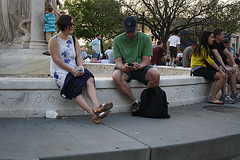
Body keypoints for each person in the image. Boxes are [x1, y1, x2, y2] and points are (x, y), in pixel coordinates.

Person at [49, 15, 113, 124]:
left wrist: (80, 67)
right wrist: (71, 70)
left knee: (89, 79)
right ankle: (93, 114)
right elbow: (55, 59)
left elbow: (79, 56)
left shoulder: (74, 40)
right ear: (65, 25)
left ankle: (97, 106)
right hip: (60, 71)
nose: (73, 26)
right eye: (71, 24)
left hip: (74, 67)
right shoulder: (54, 40)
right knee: (75, 89)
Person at [112, 16, 160, 115]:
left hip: (140, 67)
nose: (130, 34)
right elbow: (118, 62)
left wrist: (140, 65)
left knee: (155, 74)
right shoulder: (117, 40)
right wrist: (123, 67)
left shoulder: (145, 38)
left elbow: (145, 60)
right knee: (116, 76)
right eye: (127, 31)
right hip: (125, 68)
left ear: (136, 27)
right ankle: (135, 102)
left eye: (132, 31)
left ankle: (146, 100)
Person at [191, 31, 226, 104]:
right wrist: (220, 70)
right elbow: (210, 61)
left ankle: (222, 95)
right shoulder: (202, 47)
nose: (213, 39)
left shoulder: (203, 47)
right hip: (198, 69)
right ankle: (213, 98)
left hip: (200, 68)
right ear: (206, 38)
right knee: (221, 76)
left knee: (222, 75)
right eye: (211, 37)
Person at [210, 28, 240, 103]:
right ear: (217, 36)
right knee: (225, 72)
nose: (224, 36)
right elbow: (217, 56)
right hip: (214, 66)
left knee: (232, 71)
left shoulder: (220, 44)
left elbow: (228, 53)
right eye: (223, 34)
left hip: (219, 66)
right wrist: (224, 67)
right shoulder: (213, 44)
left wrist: (234, 65)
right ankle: (224, 95)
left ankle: (234, 93)